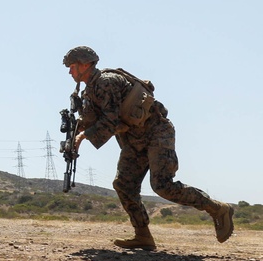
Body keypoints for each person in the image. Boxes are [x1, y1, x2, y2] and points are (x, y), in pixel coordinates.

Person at [63, 46, 234, 250]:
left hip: (156, 133)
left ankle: (217, 209)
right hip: (134, 140)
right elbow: (95, 120)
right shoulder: (90, 91)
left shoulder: (106, 82)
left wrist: (82, 136)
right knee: (124, 184)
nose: (70, 72)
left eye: (72, 67)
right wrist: (77, 126)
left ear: (85, 65)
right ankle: (143, 236)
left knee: (162, 185)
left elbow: (109, 121)